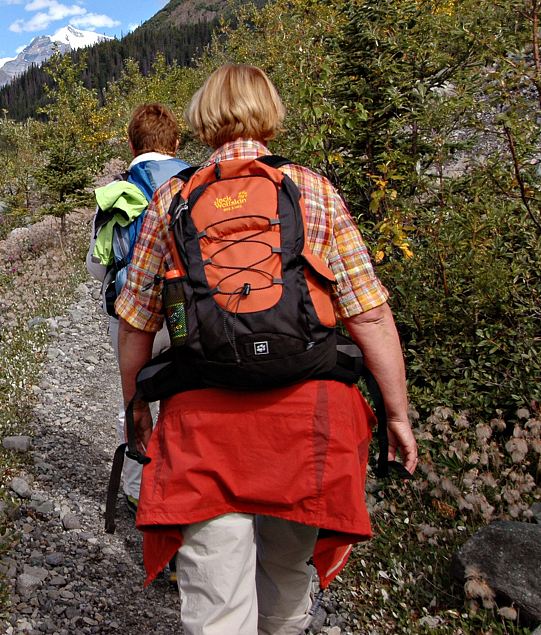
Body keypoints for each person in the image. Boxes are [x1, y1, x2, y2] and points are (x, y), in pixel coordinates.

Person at [114, 64, 419, 635]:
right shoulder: (313, 191)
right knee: (285, 575)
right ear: (270, 113)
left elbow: (135, 326)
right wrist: (398, 414)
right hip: (307, 425)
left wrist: (136, 406)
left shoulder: (172, 200)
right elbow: (371, 313)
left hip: (203, 428)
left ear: (204, 122)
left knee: (216, 599)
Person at [86, 103, 188, 514]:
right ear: (176, 143)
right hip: (186, 314)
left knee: (136, 399)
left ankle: (136, 487)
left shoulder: (118, 190)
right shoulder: (194, 183)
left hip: (130, 315)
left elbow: (96, 267)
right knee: (183, 403)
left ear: (131, 144)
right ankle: (181, 490)